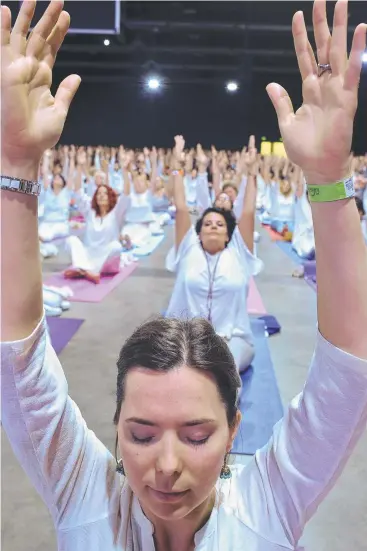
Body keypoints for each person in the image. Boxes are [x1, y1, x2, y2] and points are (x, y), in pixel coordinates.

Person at [1, 2, 367, 551]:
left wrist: (330, 181)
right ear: (116, 424)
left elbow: (348, 373)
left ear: (234, 430)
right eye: (140, 434)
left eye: (197, 435)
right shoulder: (87, 499)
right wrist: (13, 165)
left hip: (232, 339)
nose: (165, 467)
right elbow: (17, 365)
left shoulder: (266, 506)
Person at [165, 135, 262, 373]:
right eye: (207, 223)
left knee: (225, 374)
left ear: (229, 234)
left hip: (231, 340)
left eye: (220, 224)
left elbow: (248, 212)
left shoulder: (239, 251)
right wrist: (176, 168)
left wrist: (251, 173)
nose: (213, 226)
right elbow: (180, 207)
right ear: (198, 233)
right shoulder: (188, 247)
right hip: (184, 339)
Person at [63, 150, 130, 284]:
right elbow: (78, 192)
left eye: (104, 194)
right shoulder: (90, 211)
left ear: (110, 197)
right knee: (71, 240)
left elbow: (127, 194)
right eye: (98, 194)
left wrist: (124, 169)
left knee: (116, 247)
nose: (101, 196)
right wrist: (80, 166)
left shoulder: (115, 213)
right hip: (89, 255)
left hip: (107, 261)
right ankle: (86, 270)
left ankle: (84, 269)